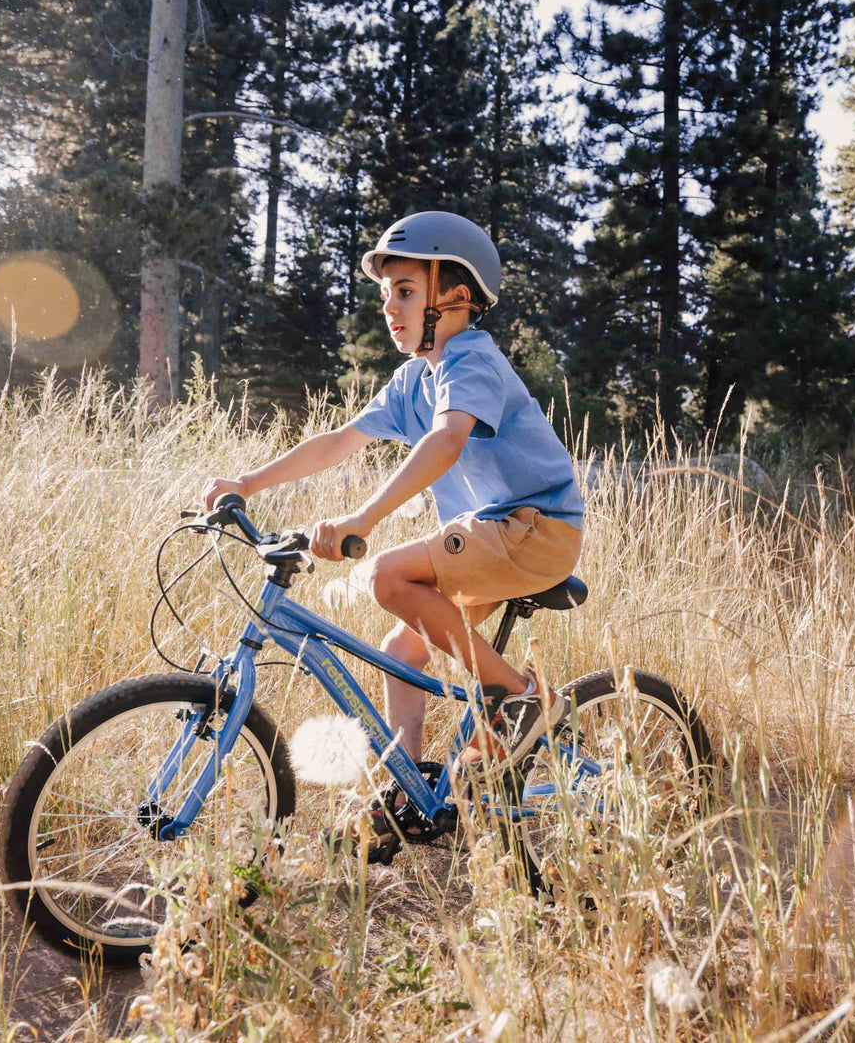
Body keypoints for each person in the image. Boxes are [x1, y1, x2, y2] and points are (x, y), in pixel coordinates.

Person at [202, 211, 584, 851]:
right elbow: (338, 442)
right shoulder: (415, 379)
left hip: (534, 528)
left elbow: (445, 441)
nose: (390, 307)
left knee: (385, 573)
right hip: (490, 536)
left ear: (455, 295)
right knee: (401, 649)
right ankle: (406, 789)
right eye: (386, 295)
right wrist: (246, 482)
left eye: (405, 290)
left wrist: (362, 520)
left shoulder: (471, 362)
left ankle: (522, 700)